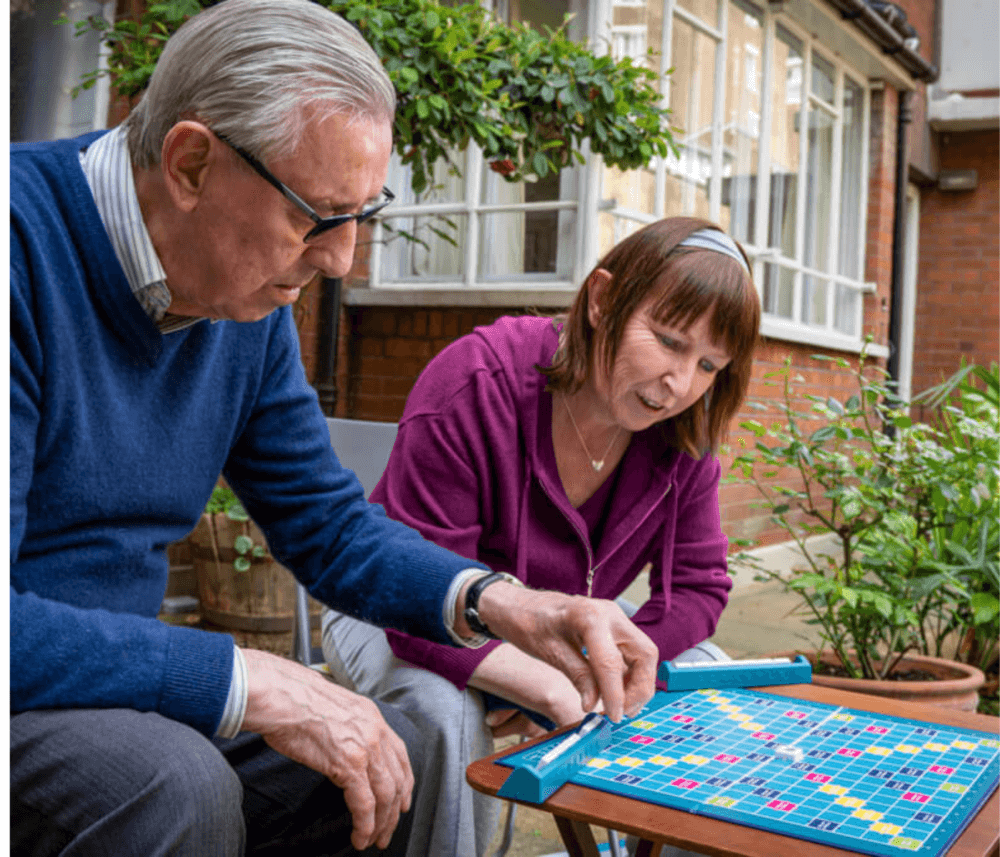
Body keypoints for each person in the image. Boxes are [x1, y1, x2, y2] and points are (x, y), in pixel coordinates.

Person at [8, 2, 660, 855]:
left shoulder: (240, 298)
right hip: (26, 690)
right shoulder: (18, 245)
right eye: (316, 215)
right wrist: (246, 678)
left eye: (364, 215)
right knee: (178, 778)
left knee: (408, 745)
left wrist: (503, 601)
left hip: (117, 688)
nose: (341, 259)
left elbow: (326, 525)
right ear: (192, 163)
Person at [322, 216, 762, 856]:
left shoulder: (684, 432)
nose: (680, 384)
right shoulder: (477, 380)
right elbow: (414, 596)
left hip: (559, 637)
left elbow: (699, 588)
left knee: (706, 672)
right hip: (396, 607)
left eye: (709, 365)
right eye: (668, 340)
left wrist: (603, 661)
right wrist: (540, 677)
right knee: (447, 713)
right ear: (602, 299)